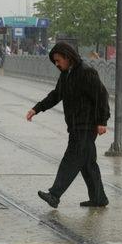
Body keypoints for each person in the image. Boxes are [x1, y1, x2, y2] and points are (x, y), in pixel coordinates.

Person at [26, 42, 110, 209]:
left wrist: (102, 121)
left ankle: (54, 194)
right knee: (87, 164)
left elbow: (102, 96)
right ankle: (99, 198)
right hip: (75, 125)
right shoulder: (66, 75)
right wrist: (37, 108)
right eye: (55, 62)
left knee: (71, 158)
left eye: (58, 60)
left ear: (67, 56)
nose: (57, 64)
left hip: (86, 125)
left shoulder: (86, 73)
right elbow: (56, 95)